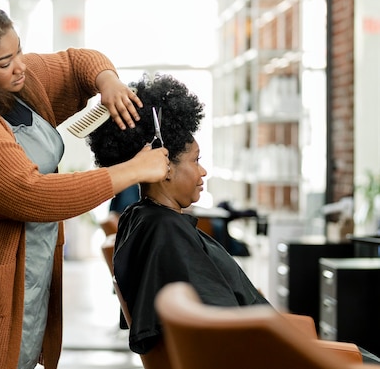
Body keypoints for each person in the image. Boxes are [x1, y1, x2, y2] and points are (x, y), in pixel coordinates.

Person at [0, 2, 170, 369]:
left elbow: (78, 61)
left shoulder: (20, 83)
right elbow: (34, 194)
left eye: (19, 51)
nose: (20, 67)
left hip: (22, 259)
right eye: (4, 63)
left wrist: (108, 80)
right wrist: (133, 170)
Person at [87, 73, 380, 366]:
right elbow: (227, 336)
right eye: (196, 160)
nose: (203, 173)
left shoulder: (140, 221)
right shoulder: (166, 232)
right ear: (163, 166)